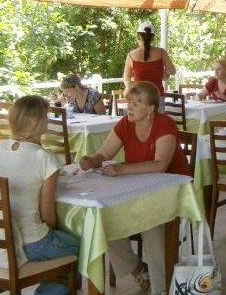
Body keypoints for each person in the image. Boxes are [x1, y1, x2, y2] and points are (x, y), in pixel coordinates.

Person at [79, 82, 189, 293]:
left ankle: (161, 287)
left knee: (151, 225)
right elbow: (105, 153)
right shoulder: (126, 123)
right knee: (106, 220)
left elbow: (160, 165)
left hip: (171, 191)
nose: (129, 107)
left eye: (136, 103)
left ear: (151, 109)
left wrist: (121, 170)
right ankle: (138, 270)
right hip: (139, 189)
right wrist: (92, 160)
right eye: (129, 102)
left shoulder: (164, 124)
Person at [0, 95, 79, 295]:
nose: (48, 119)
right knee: (77, 245)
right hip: (30, 242)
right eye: (45, 116)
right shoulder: (45, 158)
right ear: (37, 123)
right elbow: (47, 216)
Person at [123, 21, 176, 94]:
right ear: (152, 37)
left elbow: (126, 80)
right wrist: (162, 71)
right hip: (158, 96)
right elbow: (173, 71)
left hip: (139, 97)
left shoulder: (131, 55)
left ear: (138, 37)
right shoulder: (161, 52)